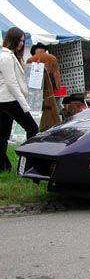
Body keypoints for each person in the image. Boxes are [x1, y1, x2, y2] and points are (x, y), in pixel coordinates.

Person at [0, 27, 39, 172]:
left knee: (3, 135)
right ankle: (27, 164)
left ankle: (5, 167)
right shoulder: (6, 57)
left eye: (23, 41)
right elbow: (11, 83)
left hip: (5, 100)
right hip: (9, 100)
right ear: (13, 39)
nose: (22, 44)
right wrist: (24, 104)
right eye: (20, 40)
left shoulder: (8, 56)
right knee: (32, 128)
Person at [26, 42, 61, 131]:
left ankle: (37, 128)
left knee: (35, 113)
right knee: (52, 112)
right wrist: (57, 87)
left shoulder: (30, 60)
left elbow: (27, 78)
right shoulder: (52, 58)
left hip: (34, 92)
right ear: (45, 49)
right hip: (49, 92)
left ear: (36, 50)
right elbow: (56, 76)